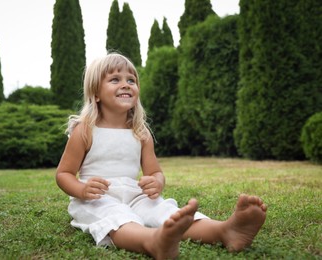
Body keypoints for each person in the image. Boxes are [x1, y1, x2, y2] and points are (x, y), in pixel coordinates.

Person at [55, 53, 267, 259]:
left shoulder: (140, 132)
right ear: (96, 93)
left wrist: (156, 183)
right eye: (115, 79)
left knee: (163, 211)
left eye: (131, 79)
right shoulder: (84, 130)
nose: (126, 84)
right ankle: (153, 241)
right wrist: (82, 190)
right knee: (116, 218)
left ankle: (224, 231)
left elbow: (155, 171)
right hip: (96, 200)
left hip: (134, 195)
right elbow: (64, 174)